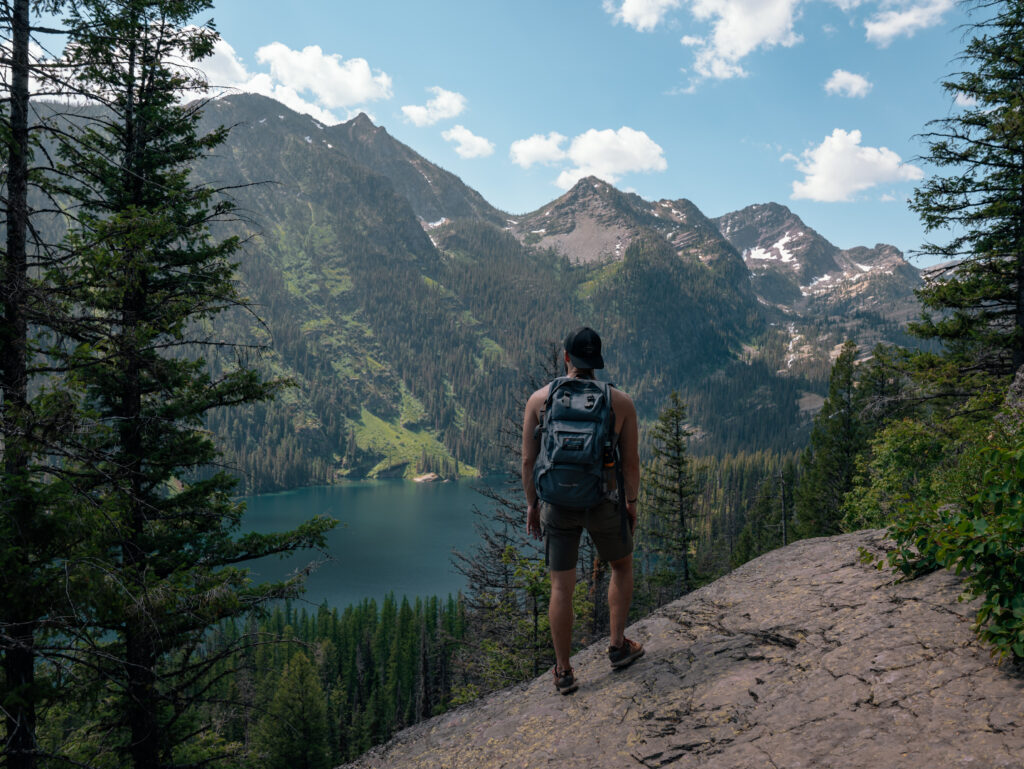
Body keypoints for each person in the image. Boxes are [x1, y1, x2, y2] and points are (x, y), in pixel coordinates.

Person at [522, 327, 643, 695]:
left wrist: (532, 504)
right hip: (603, 501)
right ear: (598, 362)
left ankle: (563, 671)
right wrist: (631, 503)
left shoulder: (540, 400)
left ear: (567, 358)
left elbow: (529, 460)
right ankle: (618, 646)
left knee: (562, 585)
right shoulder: (619, 402)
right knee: (620, 567)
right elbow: (631, 464)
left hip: (557, 506)